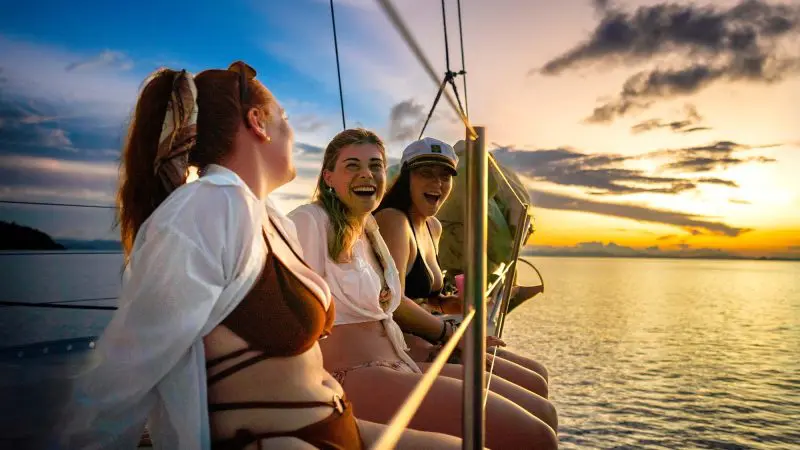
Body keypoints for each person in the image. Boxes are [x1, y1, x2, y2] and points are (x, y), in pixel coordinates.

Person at [54, 62, 459, 450]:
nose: (292, 132)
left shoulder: (268, 218)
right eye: (283, 118)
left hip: (336, 424)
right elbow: (124, 369)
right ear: (258, 122)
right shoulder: (211, 206)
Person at [289, 128, 558, 449]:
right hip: (354, 374)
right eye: (352, 165)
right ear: (329, 177)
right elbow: (285, 306)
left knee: (542, 412)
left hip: (397, 359)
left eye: (375, 165)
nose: (368, 174)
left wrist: (455, 318)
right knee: (535, 434)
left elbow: (390, 305)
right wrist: (450, 336)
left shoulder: (368, 230)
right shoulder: (311, 220)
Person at [373, 137, 553, 407]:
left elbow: (424, 295)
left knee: (539, 377)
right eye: (426, 174)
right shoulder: (393, 220)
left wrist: (449, 303)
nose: (437, 183)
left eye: (445, 176)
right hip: (402, 345)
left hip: (429, 334)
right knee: (536, 404)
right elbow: (394, 302)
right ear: (407, 177)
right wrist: (452, 336)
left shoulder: (433, 227)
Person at [436, 140, 545, 316]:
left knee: (457, 272)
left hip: (443, 240)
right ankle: (507, 292)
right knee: (502, 259)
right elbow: (519, 210)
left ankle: (458, 301)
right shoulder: (494, 168)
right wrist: (517, 244)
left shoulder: (441, 169)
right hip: (482, 236)